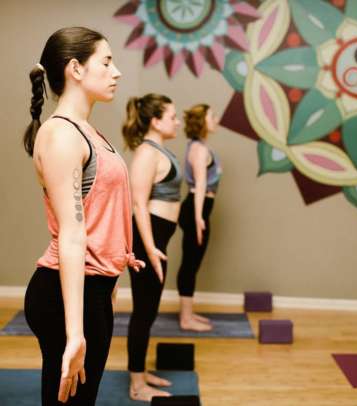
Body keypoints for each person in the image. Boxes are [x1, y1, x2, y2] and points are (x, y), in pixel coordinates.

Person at [23, 27, 143, 405]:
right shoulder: (61, 135)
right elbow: (72, 234)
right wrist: (75, 334)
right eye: (106, 62)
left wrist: (115, 269)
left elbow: (99, 213)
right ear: (75, 68)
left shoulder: (86, 131)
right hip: (66, 294)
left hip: (93, 289)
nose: (116, 72)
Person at [122, 93, 182, 401]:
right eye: (172, 117)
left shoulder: (159, 151)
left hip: (157, 241)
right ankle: (136, 384)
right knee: (144, 313)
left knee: (149, 311)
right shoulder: (146, 153)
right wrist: (150, 249)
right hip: (150, 242)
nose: (178, 122)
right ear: (156, 121)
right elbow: (138, 204)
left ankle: (141, 373)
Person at [177, 104, 221, 332]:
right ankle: (186, 319)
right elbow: (201, 184)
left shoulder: (198, 146)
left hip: (198, 209)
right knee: (190, 264)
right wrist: (198, 218)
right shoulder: (199, 150)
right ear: (202, 121)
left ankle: (188, 312)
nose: (216, 119)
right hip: (197, 209)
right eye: (212, 116)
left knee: (192, 263)